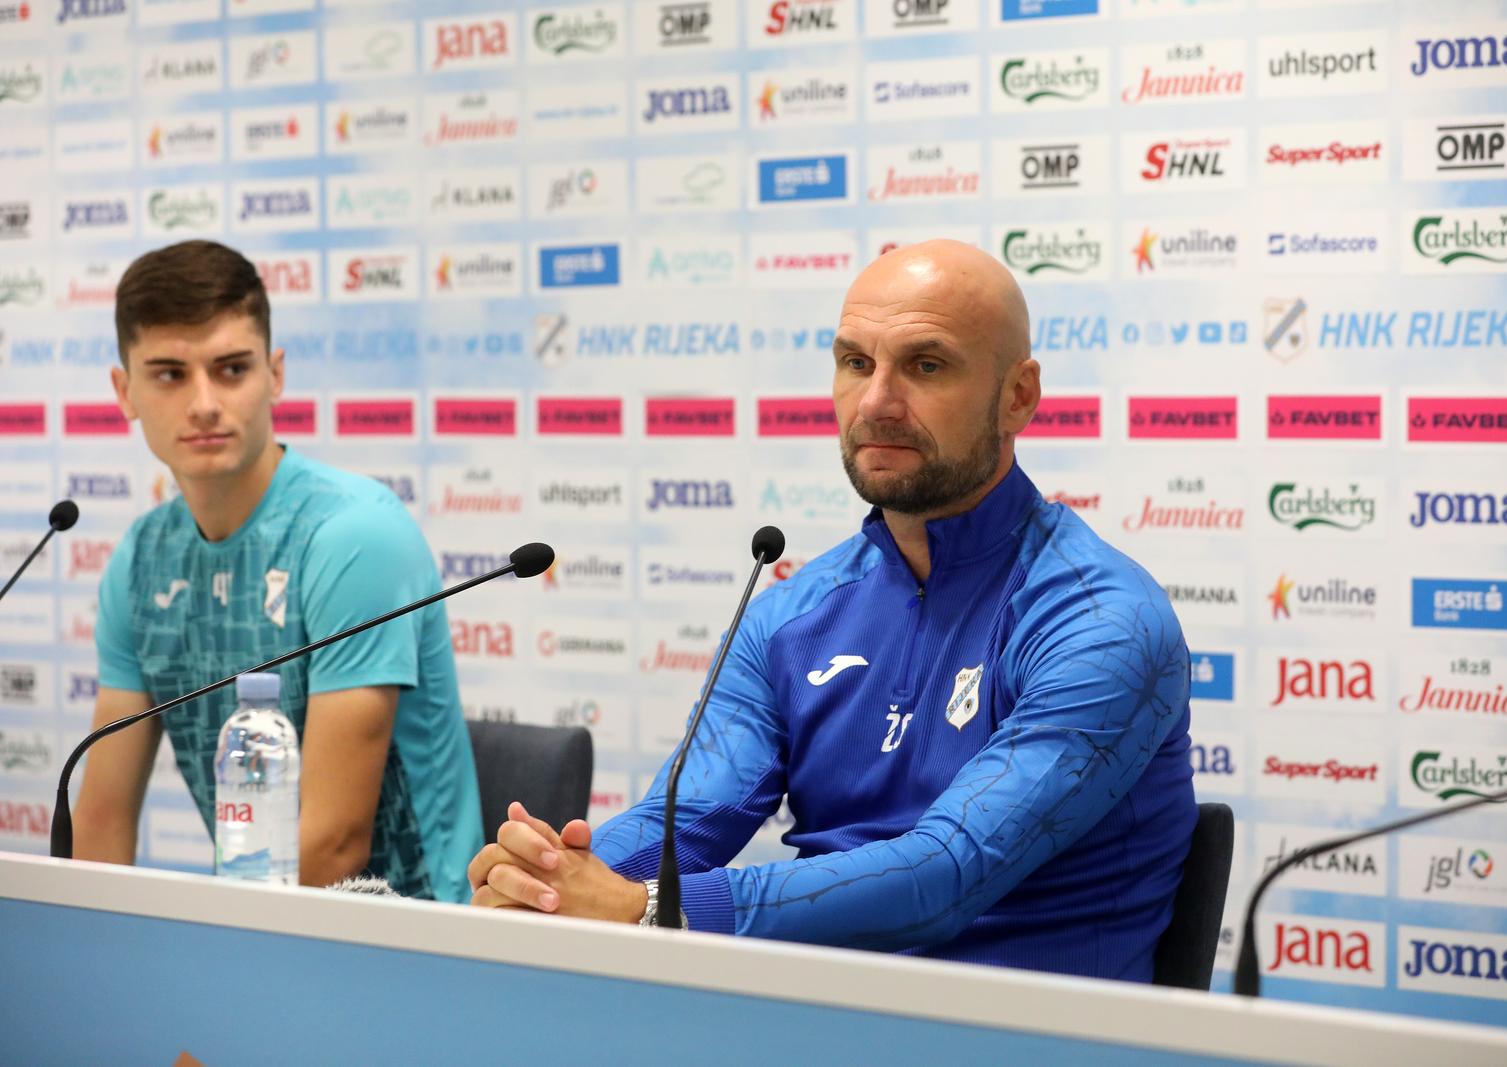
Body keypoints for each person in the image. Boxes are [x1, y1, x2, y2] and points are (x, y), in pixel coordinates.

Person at [469, 240, 1198, 980]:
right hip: (810, 1020)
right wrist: (542, 877)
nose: (877, 402)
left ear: (1018, 394)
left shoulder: (1101, 621)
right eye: (855, 363)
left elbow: (943, 874)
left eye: (926, 365)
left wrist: (644, 907)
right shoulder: (788, 617)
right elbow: (687, 822)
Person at [75, 240, 480, 902]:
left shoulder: (351, 535)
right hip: (257, 928)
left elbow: (334, 844)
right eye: (170, 374)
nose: (204, 403)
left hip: (417, 937)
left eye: (231, 369)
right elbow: (101, 819)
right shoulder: (139, 561)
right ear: (125, 391)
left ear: (276, 374)